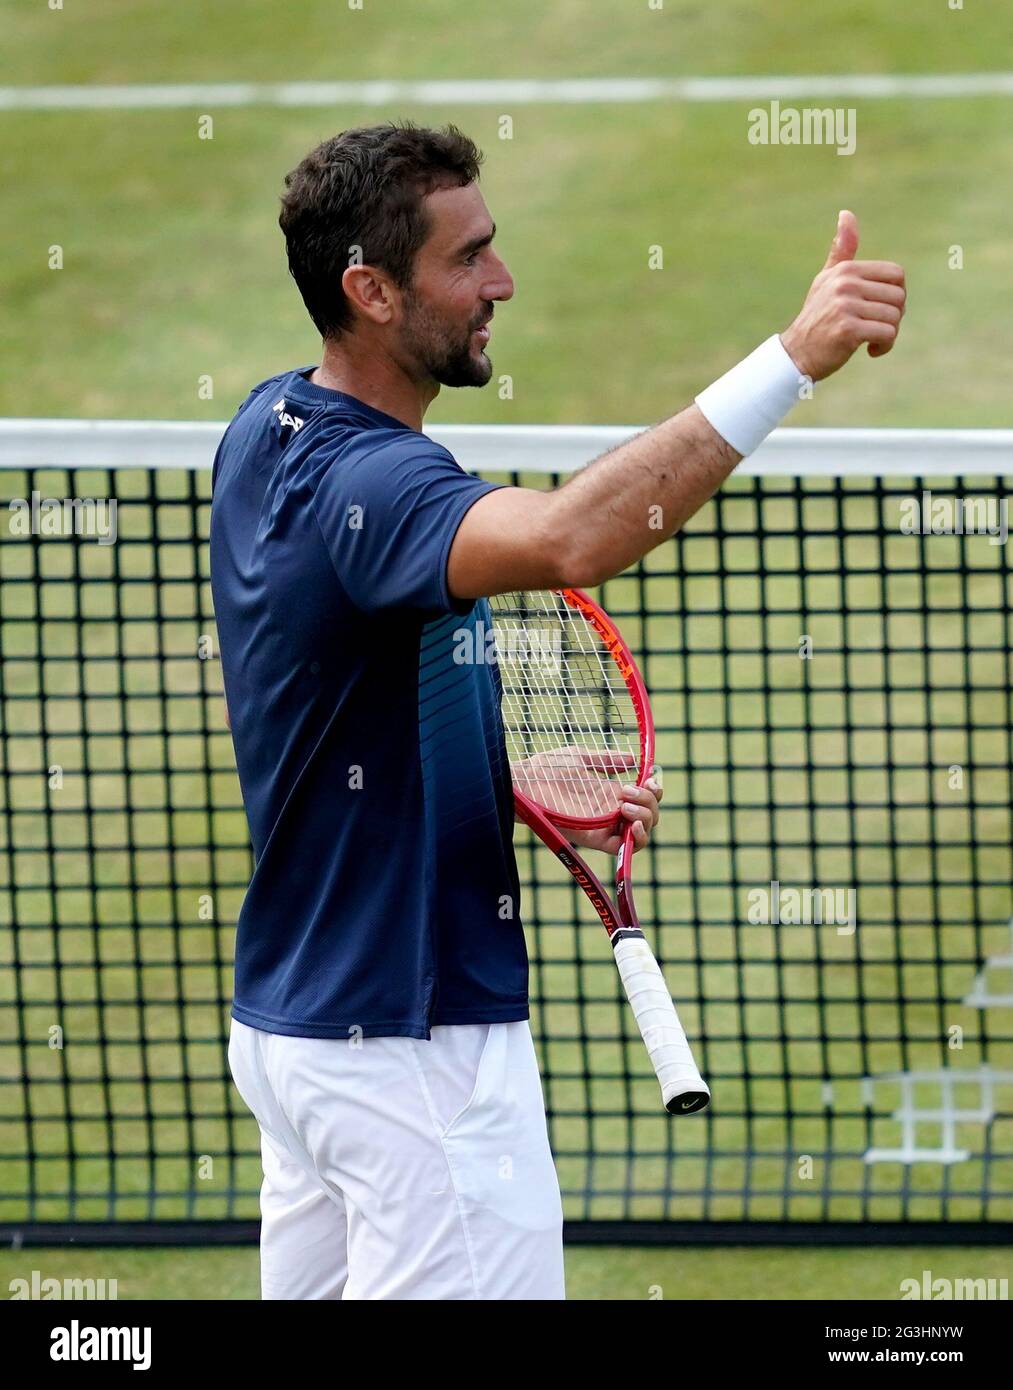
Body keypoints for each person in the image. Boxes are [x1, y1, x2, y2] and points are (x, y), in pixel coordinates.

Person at [210, 121, 906, 1300]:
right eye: (466, 259)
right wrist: (789, 360)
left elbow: (332, 674)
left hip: (297, 1040)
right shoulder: (380, 483)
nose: (502, 281)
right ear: (369, 291)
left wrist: (497, 775)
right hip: (413, 1051)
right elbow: (577, 540)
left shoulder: (266, 430)